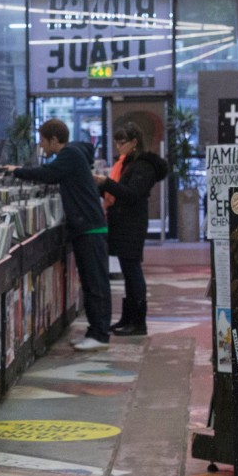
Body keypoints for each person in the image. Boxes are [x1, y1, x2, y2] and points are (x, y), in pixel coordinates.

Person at [14, 119, 111, 351]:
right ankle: (95, 331)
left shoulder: (69, 156)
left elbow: (48, 174)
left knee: (95, 282)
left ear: (54, 140)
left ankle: (100, 334)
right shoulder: (74, 154)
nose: (42, 147)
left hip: (89, 228)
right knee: (90, 282)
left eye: (43, 142)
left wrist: (17, 171)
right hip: (86, 227)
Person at [98, 122, 169, 337]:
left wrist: (106, 183)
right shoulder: (126, 163)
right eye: (117, 142)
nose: (118, 146)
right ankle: (128, 318)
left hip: (132, 224)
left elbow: (131, 194)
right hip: (122, 222)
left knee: (132, 270)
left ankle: (138, 321)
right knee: (128, 270)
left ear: (134, 142)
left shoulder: (143, 166)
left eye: (122, 142)